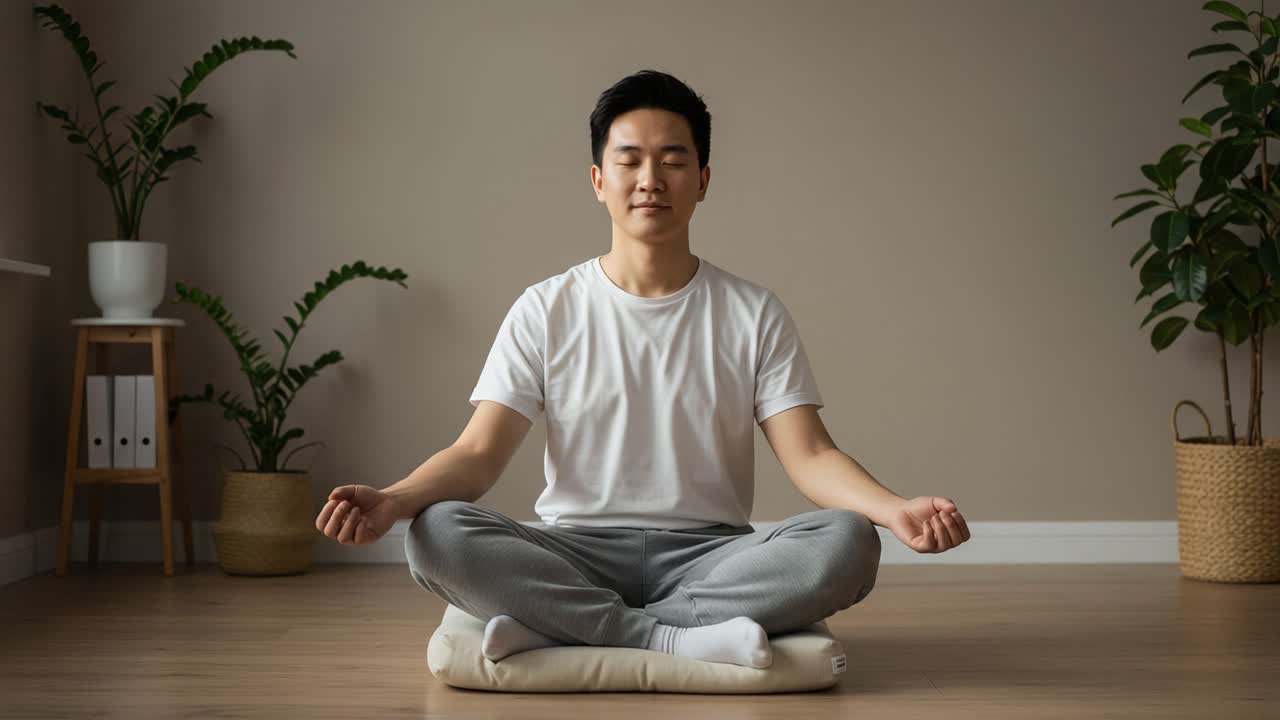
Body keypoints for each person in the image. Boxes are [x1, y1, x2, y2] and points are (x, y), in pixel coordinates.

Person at [315, 69, 971, 669]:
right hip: (574, 551)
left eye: (673, 161)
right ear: (598, 180)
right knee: (436, 532)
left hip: (712, 557)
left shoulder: (753, 312)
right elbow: (478, 453)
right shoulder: (546, 308)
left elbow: (811, 456)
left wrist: (894, 509)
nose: (650, 179)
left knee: (848, 541)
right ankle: (674, 637)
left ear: (703, 180)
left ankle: (564, 628)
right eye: (629, 161)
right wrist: (395, 500)